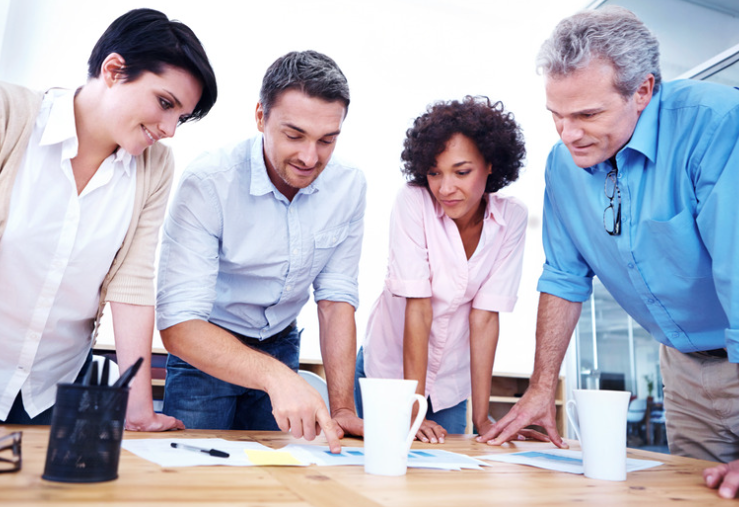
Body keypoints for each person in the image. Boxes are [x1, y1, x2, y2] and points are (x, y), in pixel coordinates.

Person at [476, 6, 739, 499]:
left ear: (643, 90)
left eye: (587, 115)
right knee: (697, 495)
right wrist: (539, 389)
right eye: (556, 116)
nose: (568, 134)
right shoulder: (563, 165)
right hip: (682, 368)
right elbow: (563, 278)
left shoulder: (717, 125)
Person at [0, 8, 217, 431]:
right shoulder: (1, 109)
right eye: (165, 103)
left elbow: (132, 282)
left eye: (181, 117)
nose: (171, 128)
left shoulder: (154, 167)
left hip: (51, 396)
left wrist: (138, 408)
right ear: (114, 70)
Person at [157, 50, 365, 453]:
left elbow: (336, 299)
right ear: (260, 117)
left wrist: (342, 407)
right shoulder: (209, 182)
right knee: (193, 480)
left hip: (281, 342)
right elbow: (180, 323)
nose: (310, 157)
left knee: (273, 480)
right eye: (294, 135)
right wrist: (277, 376)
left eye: (327, 140)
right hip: (207, 351)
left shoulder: (349, 187)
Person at [354, 96, 540, 444]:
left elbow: (484, 318)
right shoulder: (412, 202)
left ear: (490, 165)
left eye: (462, 171)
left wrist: (483, 418)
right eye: (434, 172)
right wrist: (413, 409)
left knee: (445, 484)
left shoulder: (510, 218)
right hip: (390, 376)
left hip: (451, 385)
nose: (445, 188)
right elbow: (419, 308)